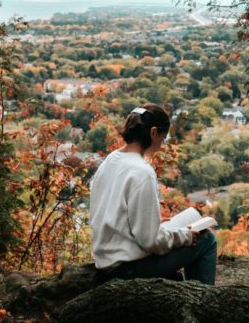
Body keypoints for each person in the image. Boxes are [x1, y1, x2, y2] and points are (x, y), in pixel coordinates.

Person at [89, 103, 217, 285]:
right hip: (127, 267)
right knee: (206, 239)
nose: (161, 145)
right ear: (153, 132)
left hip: (108, 257)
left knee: (182, 225)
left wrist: (156, 226)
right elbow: (150, 241)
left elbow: (114, 214)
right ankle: (204, 302)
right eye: (163, 139)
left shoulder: (111, 160)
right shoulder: (142, 172)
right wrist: (184, 236)